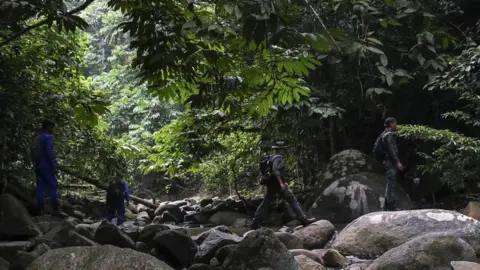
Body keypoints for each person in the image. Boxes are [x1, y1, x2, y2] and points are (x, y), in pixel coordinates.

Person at [251, 140, 315, 229]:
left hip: (271, 185)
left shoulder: (271, 157)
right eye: (285, 149)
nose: (286, 151)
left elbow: (275, 172)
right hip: (277, 185)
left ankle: (255, 223)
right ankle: (304, 220)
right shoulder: (278, 158)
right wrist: (281, 184)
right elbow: (275, 171)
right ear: (281, 150)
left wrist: (284, 182)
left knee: (265, 204)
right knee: (293, 201)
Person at [31, 119, 68, 217]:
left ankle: (40, 210)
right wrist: (53, 166)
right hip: (46, 165)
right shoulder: (48, 137)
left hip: (38, 166)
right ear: (47, 126)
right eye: (52, 126)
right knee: (53, 186)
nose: (53, 129)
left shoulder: (37, 138)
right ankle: (57, 209)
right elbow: (49, 152)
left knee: (40, 187)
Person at [374, 117, 404, 211]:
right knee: (391, 183)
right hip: (390, 162)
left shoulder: (384, 134)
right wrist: (397, 162)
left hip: (387, 161)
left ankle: (387, 206)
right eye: (395, 123)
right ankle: (391, 206)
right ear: (391, 124)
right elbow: (391, 150)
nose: (396, 125)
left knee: (390, 182)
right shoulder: (388, 135)